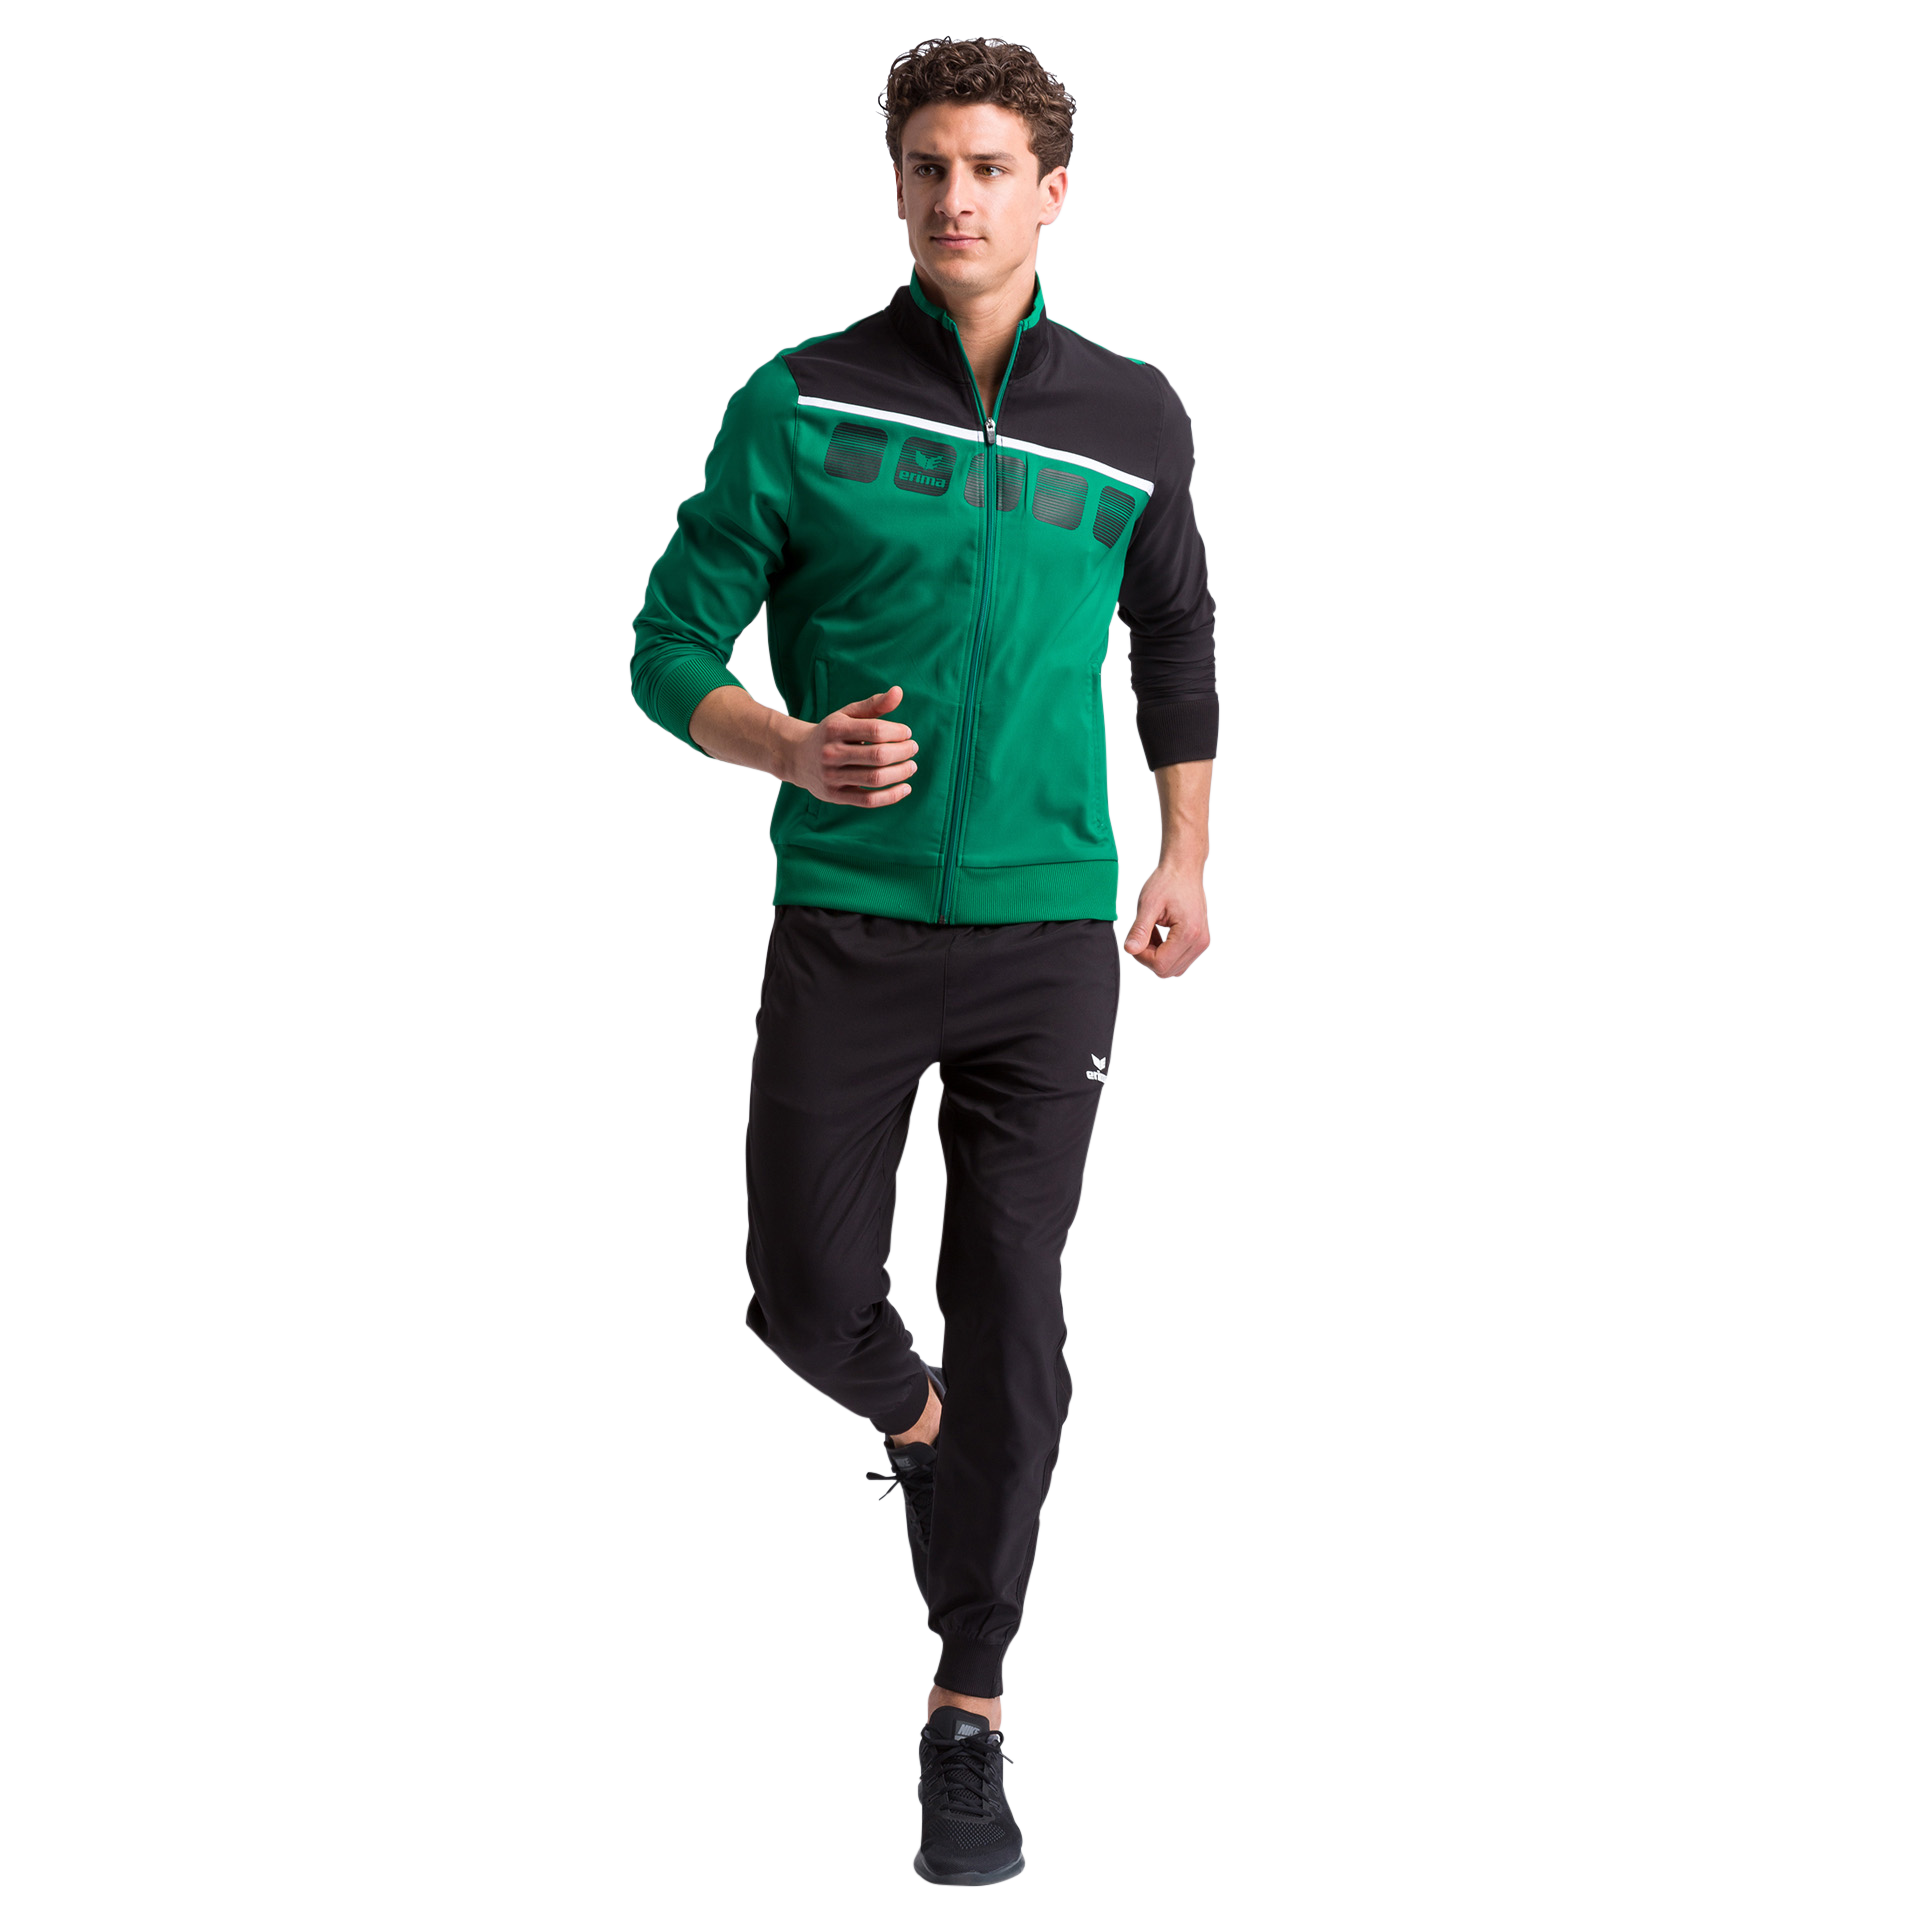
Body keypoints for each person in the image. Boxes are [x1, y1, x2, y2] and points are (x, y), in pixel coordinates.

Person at [629, 36, 1217, 1888]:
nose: (955, 196)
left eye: (988, 166)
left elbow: (1176, 635)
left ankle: (969, 1710)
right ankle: (925, 1428)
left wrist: (1188, 851)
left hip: (1049, 932)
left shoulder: (1133, 413)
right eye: (926, 166)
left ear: (1053, 190)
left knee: (1014, 1298)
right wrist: (784, 744)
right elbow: (667, 643)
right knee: (808, 1295)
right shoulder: (802, 401)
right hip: (852, 922)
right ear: (896, 185)